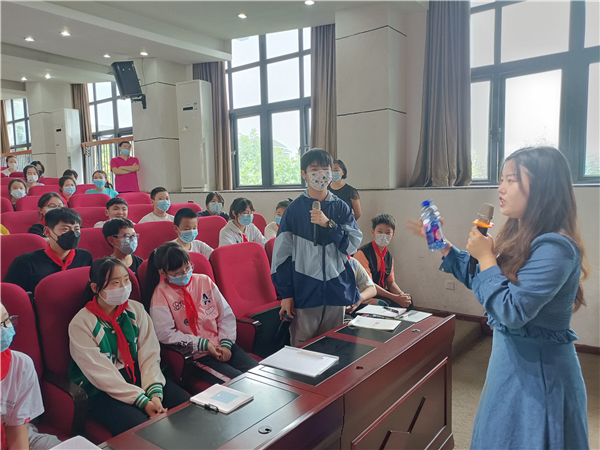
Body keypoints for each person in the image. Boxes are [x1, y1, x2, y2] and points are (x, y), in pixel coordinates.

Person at [406, 146, 589, 450]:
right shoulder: (519, 235)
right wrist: (444, 246)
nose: (500, 188)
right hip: (509, 365)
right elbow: (486, 282)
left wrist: (486, 257)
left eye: (511, 180)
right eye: (501, 179)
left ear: (543, 187)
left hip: (540, 376)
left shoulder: (556, 248)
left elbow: (511, 310)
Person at [69, 257, 189, 436]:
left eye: (126, 280)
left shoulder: (136, 310)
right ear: (95, 288)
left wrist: (155, 393)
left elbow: (149, 355)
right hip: (103, 388)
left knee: (186, 407)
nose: (124, 287)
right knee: (145, 431)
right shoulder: (82, 323)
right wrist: (143, 401)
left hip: (139, 374)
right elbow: (100, 372)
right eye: (115, 283)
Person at [272, 148, 362, 347]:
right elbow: (281, 257)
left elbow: (352, 246)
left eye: (325, 169)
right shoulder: (294, 210)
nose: (320, 174)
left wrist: (329, 225)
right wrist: (286, 294)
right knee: (303, 348)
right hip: (305, 291)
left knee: (334, 346)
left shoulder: (341, 208)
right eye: (314, 170)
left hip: (336, 290)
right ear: (304, 174)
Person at [146, 243, 258, 385]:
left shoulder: (204, 281)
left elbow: (225, 315)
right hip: (198, 354)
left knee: (258, 373)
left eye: (188, 268)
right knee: (239, 382)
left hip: (221, 343)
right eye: (178, 273)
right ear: (163, 273)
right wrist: (203, 344)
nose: (185, 274)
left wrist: (226, 344)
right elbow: (165, 334)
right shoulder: (161, 294)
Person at [1, 303, 62, 450]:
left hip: (9, 429)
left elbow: (16, 425)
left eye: (6, 321)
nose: (4, 330)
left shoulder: (20, 365)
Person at [4, 208, 92, 293]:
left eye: (76, 229)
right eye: (65, 229)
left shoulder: (85, 257)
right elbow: (10, 296)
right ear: (47, 232)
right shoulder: (25, 263)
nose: (73, 234)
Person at [354, 214, 412, 308]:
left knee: (408, 300)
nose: (383, 236)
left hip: (380, 294)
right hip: (364, 295)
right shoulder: (362, 253)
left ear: (393, 235)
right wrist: (395, 298)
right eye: (380, 232)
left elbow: (391, 283)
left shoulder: (389, 256)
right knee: (386, 304)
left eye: (388, 233)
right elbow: (368, 284)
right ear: (373, 232)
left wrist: (401, 295)